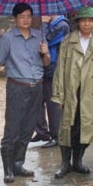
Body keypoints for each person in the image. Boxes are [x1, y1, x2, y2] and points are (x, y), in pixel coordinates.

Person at [0, 2, 50, 183]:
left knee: (28, 128)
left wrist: (45, 53)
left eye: (28, 16)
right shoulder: (7, 38)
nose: (26, 20)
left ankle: (18, 164)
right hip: (17, 87)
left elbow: (46, 64)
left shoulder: (39, 36)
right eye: (22, 17)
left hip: (36, 88)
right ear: (15, 19)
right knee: (12, 128)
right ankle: (7, 169)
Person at [51, 6, 93, 177]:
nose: (87, 24)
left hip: (90, 92)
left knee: (85, 127)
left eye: (90, 21)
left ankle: (78, 161)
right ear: (78, 23)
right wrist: (58, 93)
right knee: (67, 127)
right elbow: (60, 68)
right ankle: (65, 163)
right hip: (72, 90)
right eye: (84, 20)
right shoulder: (68, 41)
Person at [31, 13, 70, 147]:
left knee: (53, 103)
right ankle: (41, 131)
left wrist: (44, 24)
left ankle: (56, 135)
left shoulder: (62, 25)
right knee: (37, 100)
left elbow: (45, 40)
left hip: (54, 68)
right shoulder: (52, 24)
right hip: (43, 67)